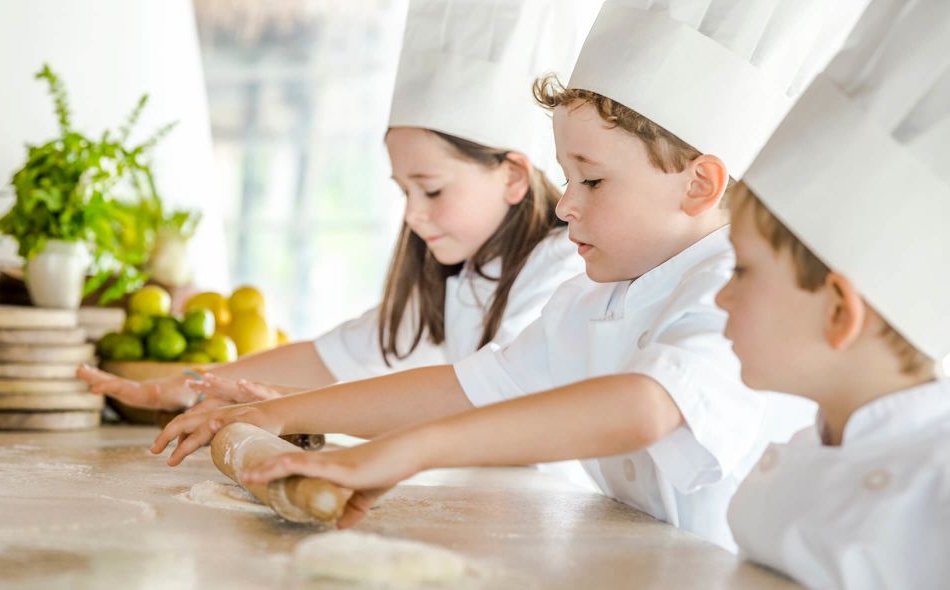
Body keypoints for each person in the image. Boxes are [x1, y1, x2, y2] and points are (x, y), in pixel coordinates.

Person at [154, 0, 869, 551]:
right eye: (569, 176)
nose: (570, 204)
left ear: (699, 184)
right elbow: (470, 385)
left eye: (591, 179)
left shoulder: (731, 287)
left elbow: (648, 405)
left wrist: (403, 453)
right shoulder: (592, 294)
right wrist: (280, 411)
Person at [77, 0, 595, 414]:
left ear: (511, 176)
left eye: (431, 190)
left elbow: (483, 393)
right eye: (403, 192)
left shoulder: (562, 265)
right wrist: (188, 384)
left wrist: (295, 408)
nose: (412, 216)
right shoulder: (459, 274)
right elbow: (329, 357)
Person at [716, 1, 950, 586]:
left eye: (742, 271)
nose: (722, 297)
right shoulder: (807, 447)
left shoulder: (937, 492)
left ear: (840, 311)